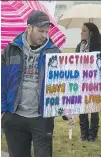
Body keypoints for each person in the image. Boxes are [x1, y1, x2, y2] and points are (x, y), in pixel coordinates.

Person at [1, 10, 61, 157]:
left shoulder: (55, 53)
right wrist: (3, 109)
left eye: (46, 31)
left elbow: (61, 85)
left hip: (41, 118)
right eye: (40, 31)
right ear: (29, 28)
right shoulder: (10, 50)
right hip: (14, 116)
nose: (44, 35)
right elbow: (2, 81)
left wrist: (66, 111)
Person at [75, 23, 101, 142]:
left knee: (93, 107)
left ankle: (93, 134)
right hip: (81, 81)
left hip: (95, 81)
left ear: (91, 33)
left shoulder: (100, 46)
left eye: (84, 31)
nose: (81, 33)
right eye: (81, 30)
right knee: (82, 107)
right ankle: (84, 133)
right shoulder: (80, 46)